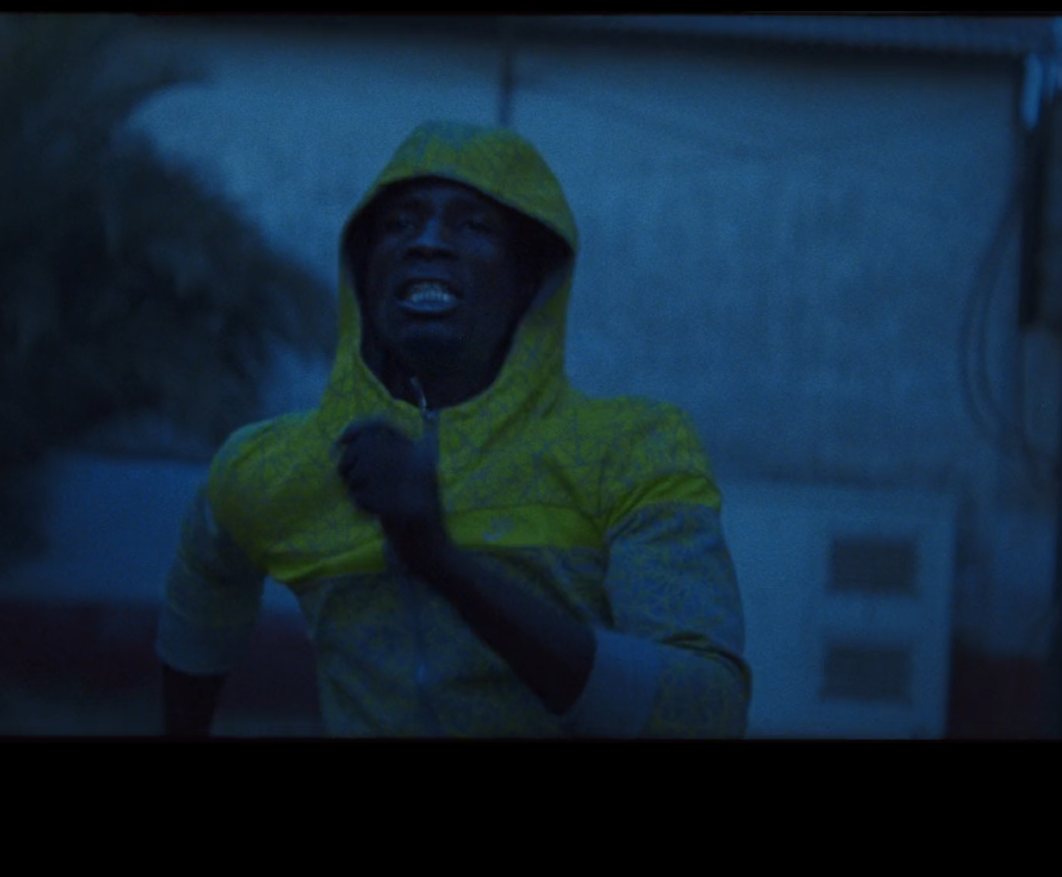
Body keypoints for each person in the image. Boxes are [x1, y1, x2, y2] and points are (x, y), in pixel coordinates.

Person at [158, 120, 748, 737]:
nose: (428, 243)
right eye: (399, 224)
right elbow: (202, 599)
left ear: (529, 281)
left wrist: (438, 559)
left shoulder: (633, 448)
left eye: (474, 225)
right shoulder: (268, 465)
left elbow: (706, 710)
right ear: (364, 273)